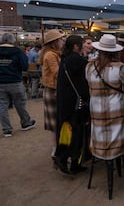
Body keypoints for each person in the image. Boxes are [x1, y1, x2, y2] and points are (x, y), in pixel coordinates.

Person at [85, 34, 124, 170]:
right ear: (116, 51)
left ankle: (103, 153)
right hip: (116, 113)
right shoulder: (119, 68)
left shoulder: (89, 67)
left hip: (96, 112)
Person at [54, 35, 90, 175]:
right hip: (76, 102)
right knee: (76, 132)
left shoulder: (65, 58)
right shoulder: (78, 60)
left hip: (65, 101)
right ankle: (66, 159)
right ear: (76, 46)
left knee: (67, 131)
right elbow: (84, 81)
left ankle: (73, 161)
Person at [0, 33, 36, 137]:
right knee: (20, 103)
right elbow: (25, 66)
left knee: (2, 105)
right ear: (12, 40)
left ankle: (7, 129)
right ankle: (25, 123)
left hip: (1, 82)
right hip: (15, 81)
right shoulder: (18, 51)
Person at [39, 29, 65, 158]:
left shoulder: (54, 53)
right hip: (52, 90)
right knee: (55, 122)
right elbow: (57, 73)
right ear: (54, 42)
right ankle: (55, 149)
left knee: (56, 121)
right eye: (60, 39)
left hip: (53, 90)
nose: (62, 41)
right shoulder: (50, 55)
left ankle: (57, 147)